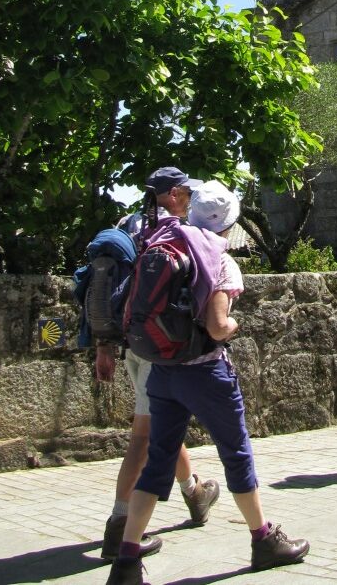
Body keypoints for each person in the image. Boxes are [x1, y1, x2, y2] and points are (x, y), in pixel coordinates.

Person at [106, 167, 309, 585]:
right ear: (228, 221)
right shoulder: (220, 260)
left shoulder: (163, 240)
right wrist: (235, 326)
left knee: (157, 462)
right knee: (236, 453)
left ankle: (127, 560)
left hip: (162, 372)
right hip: (205, 373)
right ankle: (263, 539)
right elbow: (217, 327)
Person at [95, 208, 220, 560]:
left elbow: (111, 292)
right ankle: (120, 528)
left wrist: (103, 347)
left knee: (165, 424)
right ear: (176, 194)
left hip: (131, 344)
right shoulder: (175, 232)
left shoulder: (127, 227)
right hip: (158, 350)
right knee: (144, 437)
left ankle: (194, 492)